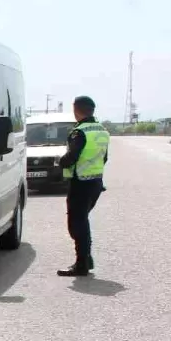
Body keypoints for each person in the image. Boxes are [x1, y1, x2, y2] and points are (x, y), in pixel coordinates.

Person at [57, 95, 110, 276]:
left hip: (80, 183)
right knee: (82, 222)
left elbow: (72, 157)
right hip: (95, 182)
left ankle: (81, 264)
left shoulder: (80, 132)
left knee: (76, 224)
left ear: (76, 109)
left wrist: (60, 162)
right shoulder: (102, 130)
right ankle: (86, 258)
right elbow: (105, 157)